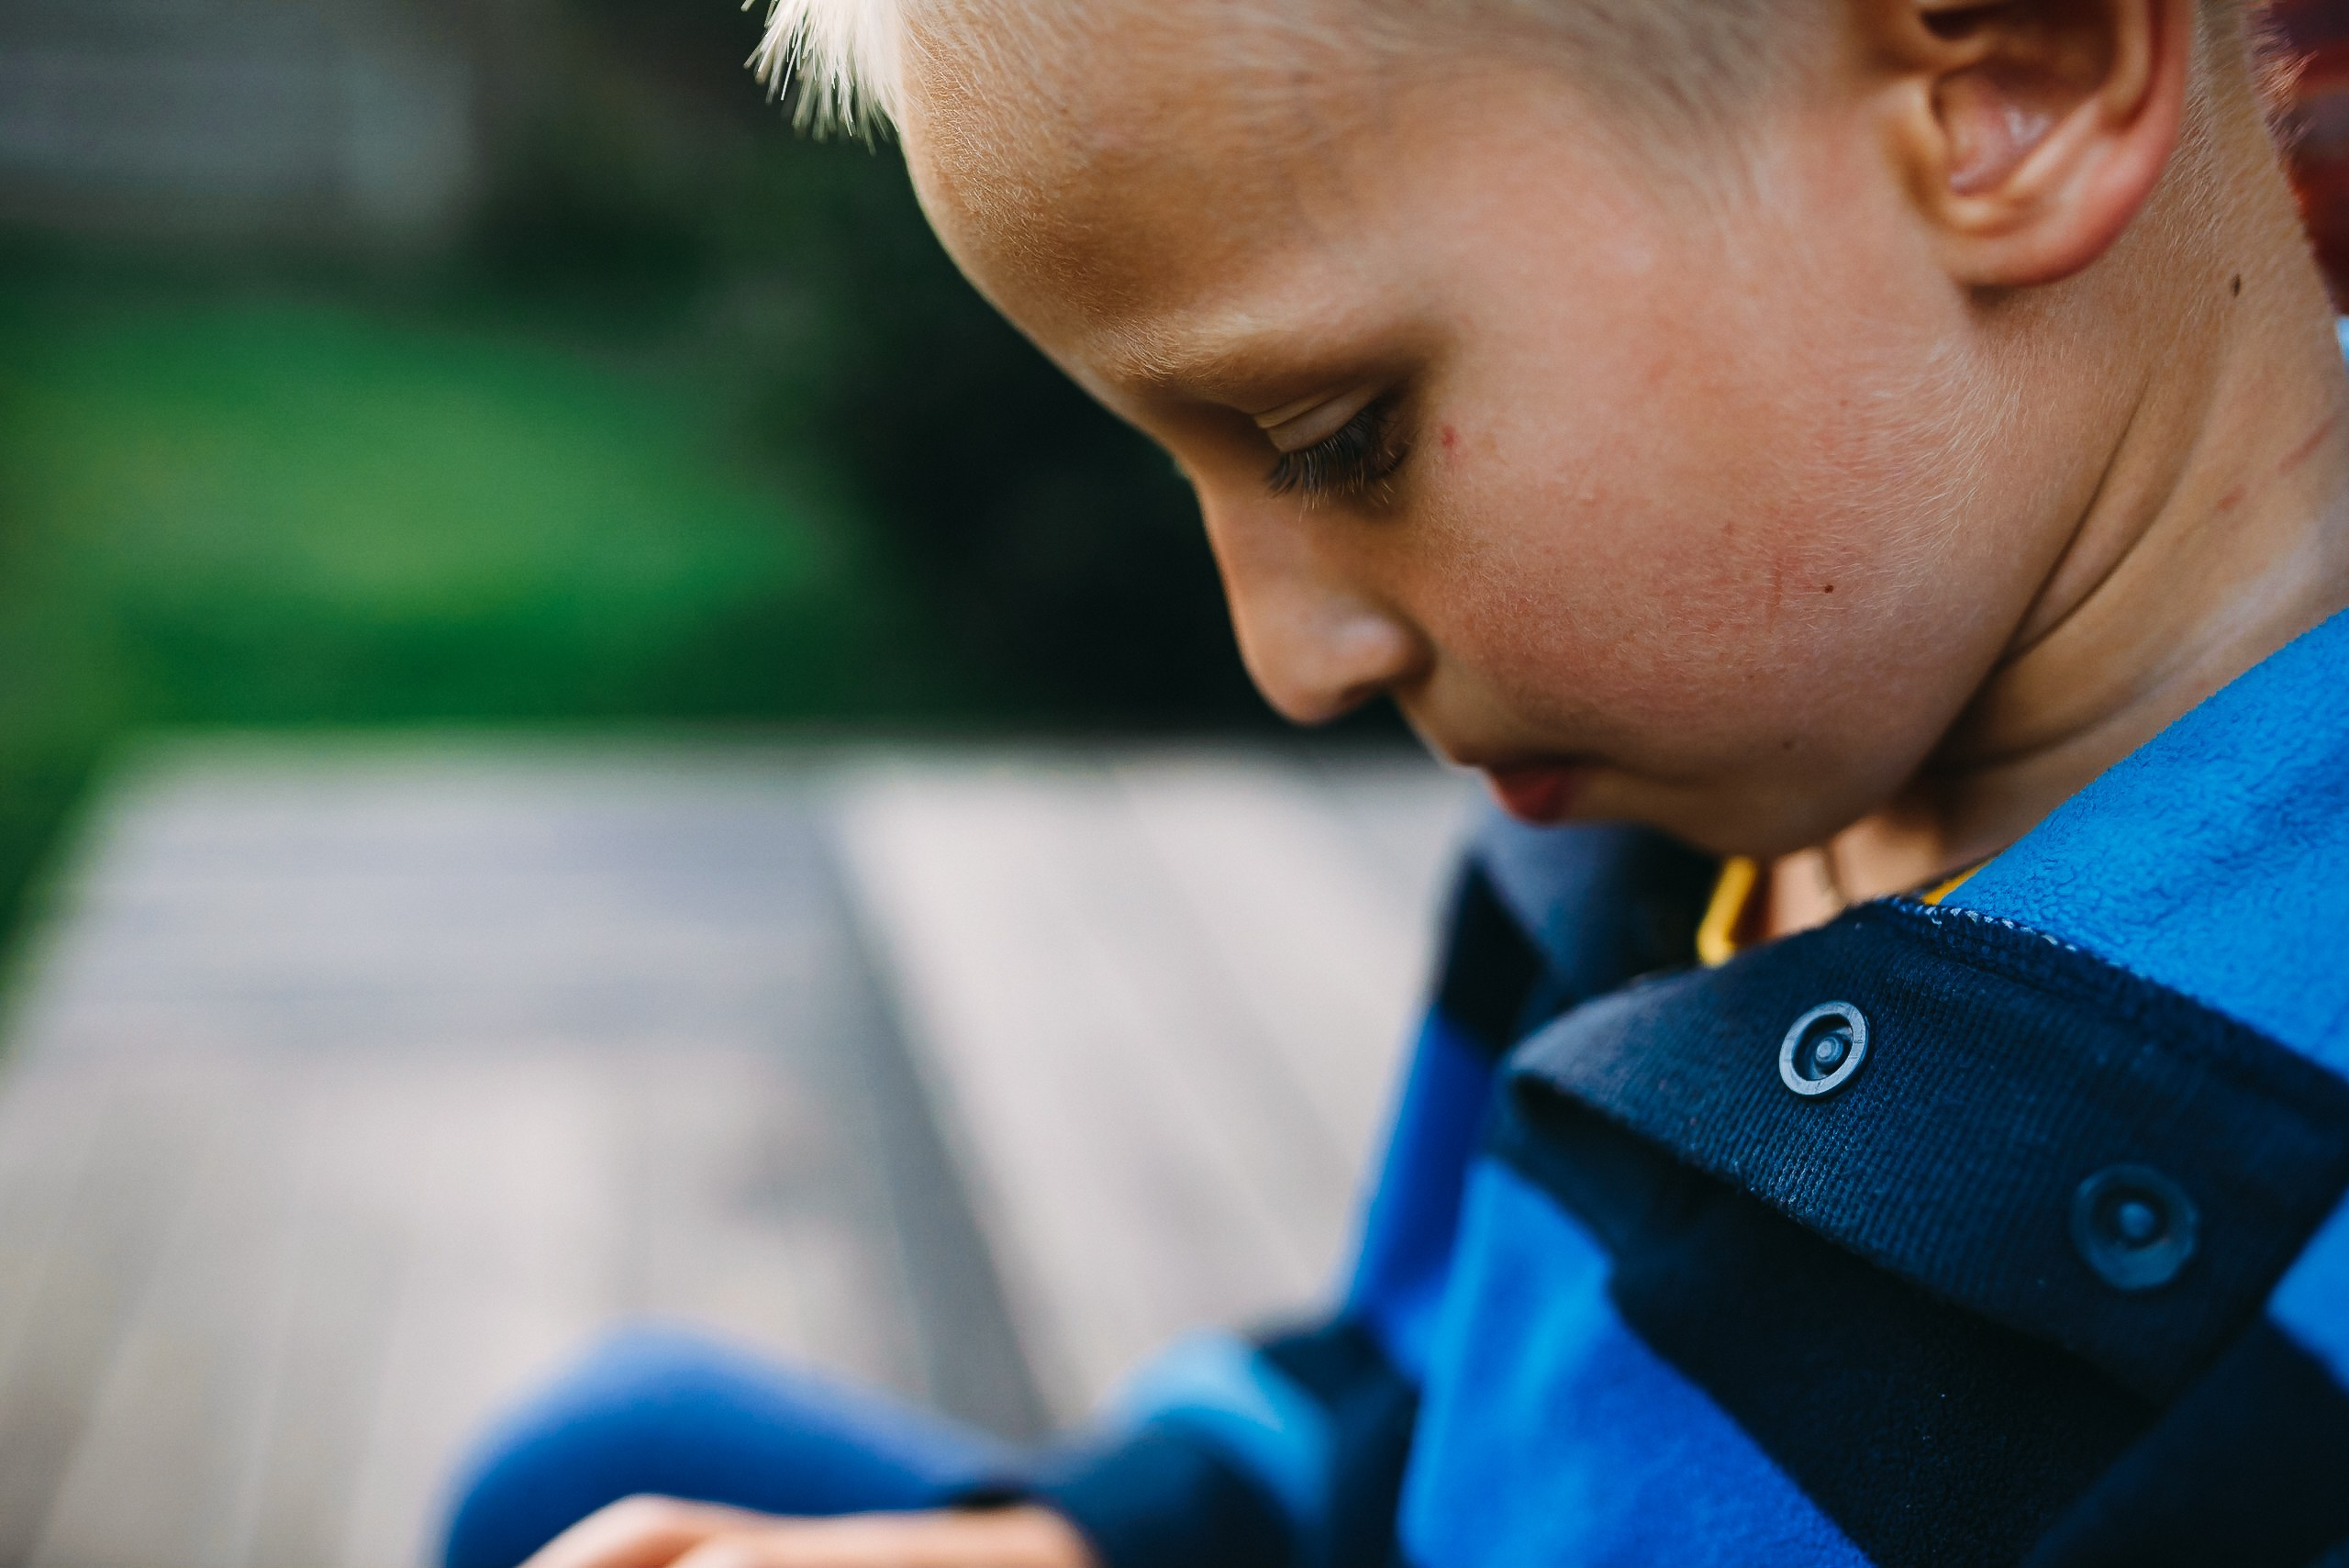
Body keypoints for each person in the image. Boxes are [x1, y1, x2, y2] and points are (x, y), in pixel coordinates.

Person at [439, 0, 2349, 1562]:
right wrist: (1088, 1543)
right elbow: (1433, 1384)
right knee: (585, 1467)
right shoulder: (1699, 761)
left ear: (2000, 87)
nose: (1290, 658)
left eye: (1338, 439)